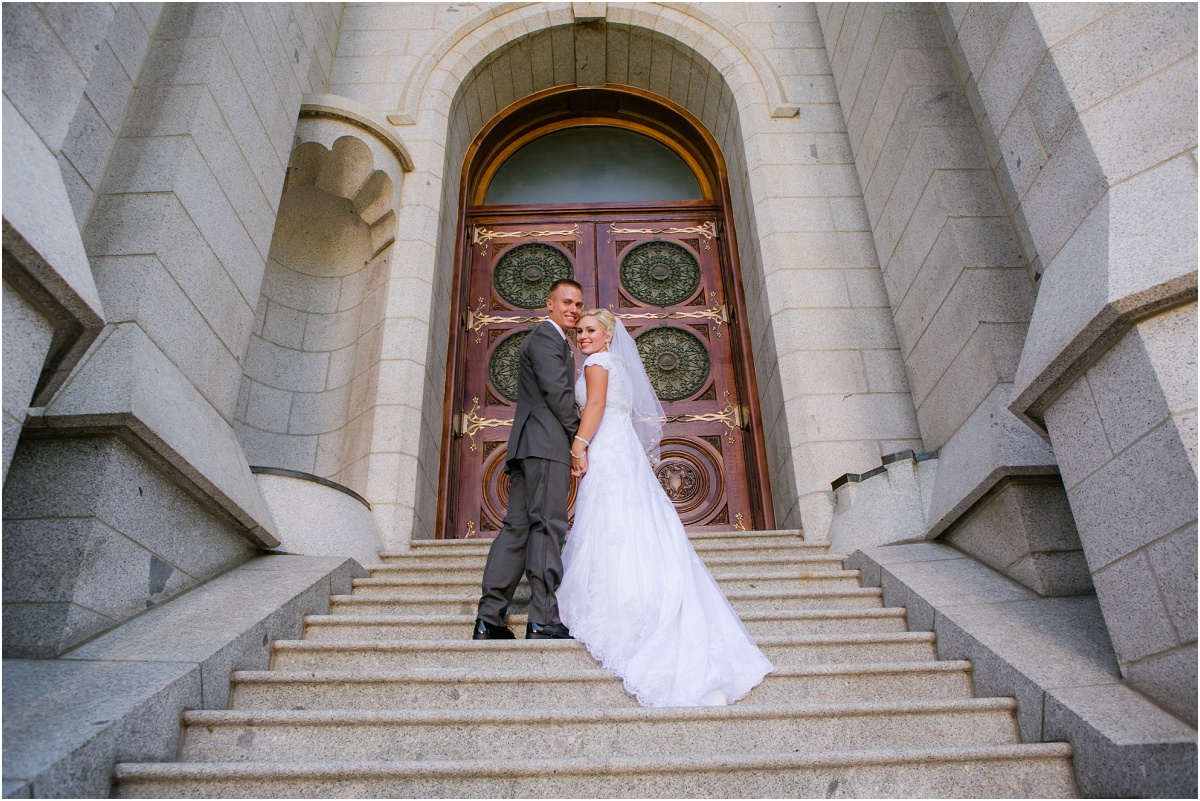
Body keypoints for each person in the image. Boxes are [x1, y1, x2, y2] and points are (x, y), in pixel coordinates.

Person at [557, 309, 773, 706]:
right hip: (621, 448)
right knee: (630, 519)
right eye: (580, 331)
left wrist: (578, 446)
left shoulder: (596, 363)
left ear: (607, 336)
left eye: (591, 330)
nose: (582, 336)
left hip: (606, 446)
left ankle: (617, 604)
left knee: (609, 517)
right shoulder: (614, 362)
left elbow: (596, 406)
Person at [473, 279, 584, 640]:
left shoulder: (554, 341)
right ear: (549, 304)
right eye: (566, 302)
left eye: (578, 304)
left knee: (517, 529)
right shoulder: (547, 339)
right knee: (548, 526)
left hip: (528, 447)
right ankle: (543, 618)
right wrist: (580, 441)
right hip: (547, 446)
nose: (573, 309)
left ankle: (489, 619)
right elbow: (559, 395)